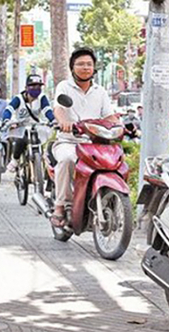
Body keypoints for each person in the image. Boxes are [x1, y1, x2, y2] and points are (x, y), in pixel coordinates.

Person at [50, 47, 117, 227]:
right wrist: (64, 122)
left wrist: (118, 124)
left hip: (94, 143)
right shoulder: (64, 86)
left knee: (115, 161)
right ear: (73, 67)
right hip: (69, 141)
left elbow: (109, 116)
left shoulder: (100, 91)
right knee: (67, 160)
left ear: (94, 68)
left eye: (89, 64)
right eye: (80, 64)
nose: (85, 67)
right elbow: (59, 108)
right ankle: (60, 205)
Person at [3, 74, 55, 172]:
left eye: (39, 86)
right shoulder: (18, 98)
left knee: (47, 143)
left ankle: (44, 165)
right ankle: (15, 160)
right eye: (33, 86)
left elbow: (47, 110)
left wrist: (52, 120)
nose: (36, 88)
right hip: (21, 126)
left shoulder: (42, 98)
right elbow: (9, 109)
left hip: (37, 126)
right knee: (21, 140)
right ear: (26, 87)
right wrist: (7, 120)